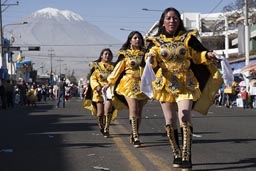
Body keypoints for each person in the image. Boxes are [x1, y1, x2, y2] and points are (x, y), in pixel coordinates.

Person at [144, 7, 222, 170]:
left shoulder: (188, 38)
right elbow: (151, 59)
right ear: (163, 21)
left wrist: (207, 55)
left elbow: (197, 55)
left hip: (186, 83)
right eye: (168, 18)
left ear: (179, 21)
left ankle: (186, 155)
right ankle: (176, 152)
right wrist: (150, 58)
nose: (172, 21)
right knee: (170, 121)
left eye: (175, 18)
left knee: (185, 117)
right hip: (165, 84)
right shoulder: (155, 41)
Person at [103, 31, 148, 148]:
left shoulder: (145, 53)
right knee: (133, 108)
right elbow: (117, 69)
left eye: (139, 38)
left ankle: (134, 133)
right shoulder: (125, 55)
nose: (137, 40)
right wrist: (109, 83)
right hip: (128, 84)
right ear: (130, 40)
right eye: (135, 38)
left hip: (142, 86)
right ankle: (136, 135)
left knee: (139, 112)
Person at [83, 48, 117, 138]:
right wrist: (97, 86)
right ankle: (101, 126)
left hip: (109, 90)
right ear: (101, 56)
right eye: (105, 54)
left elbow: (116, 77)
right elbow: (93, 78)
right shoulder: (96, 66)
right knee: (100, 113)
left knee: (108, 110)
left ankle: (106, 128)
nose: (107, 56)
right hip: (99, 92)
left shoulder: (114, 67)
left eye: (109, 54)